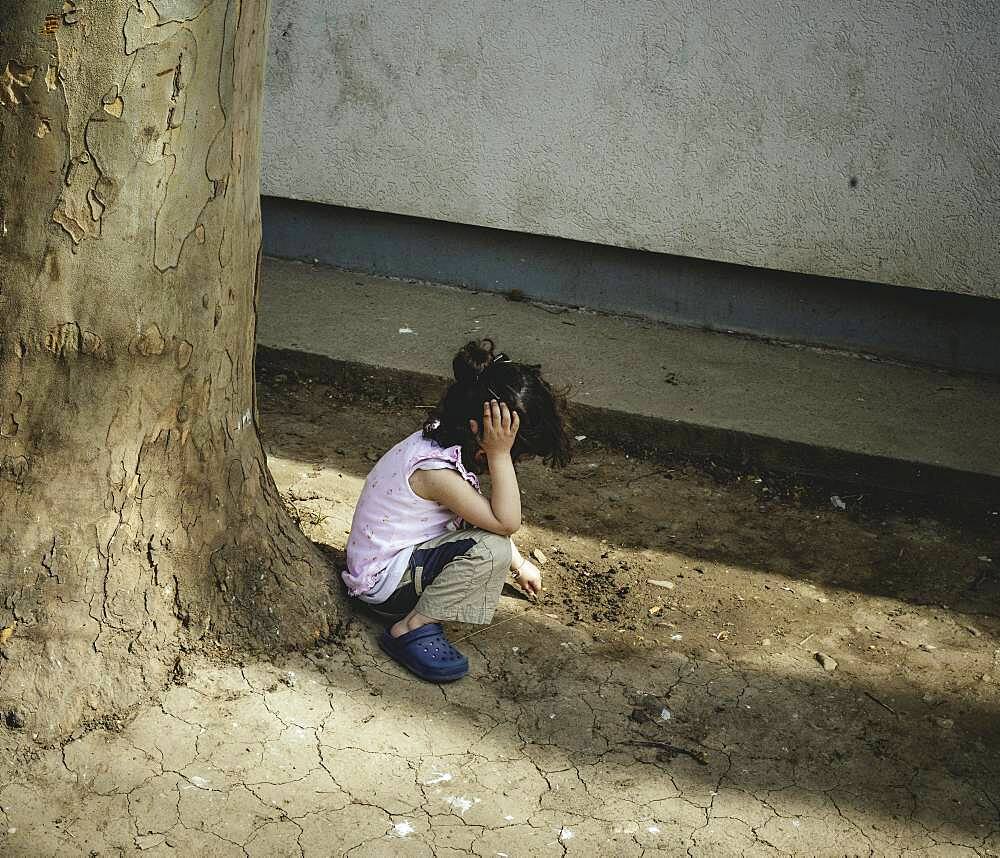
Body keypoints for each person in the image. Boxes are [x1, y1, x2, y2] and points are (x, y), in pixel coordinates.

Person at [343, 339, 571, 682]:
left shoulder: (443, 442)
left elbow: (480, 519)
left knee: (491, 539)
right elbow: (505, 523)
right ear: (483, 432)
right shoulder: (435, 473)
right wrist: (499, 456)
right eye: (515, 453)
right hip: (384, 588)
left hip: (392, 568)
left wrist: (520, 564)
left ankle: (415, 618)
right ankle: (410, 628)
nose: (514, 460)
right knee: (490, 548)